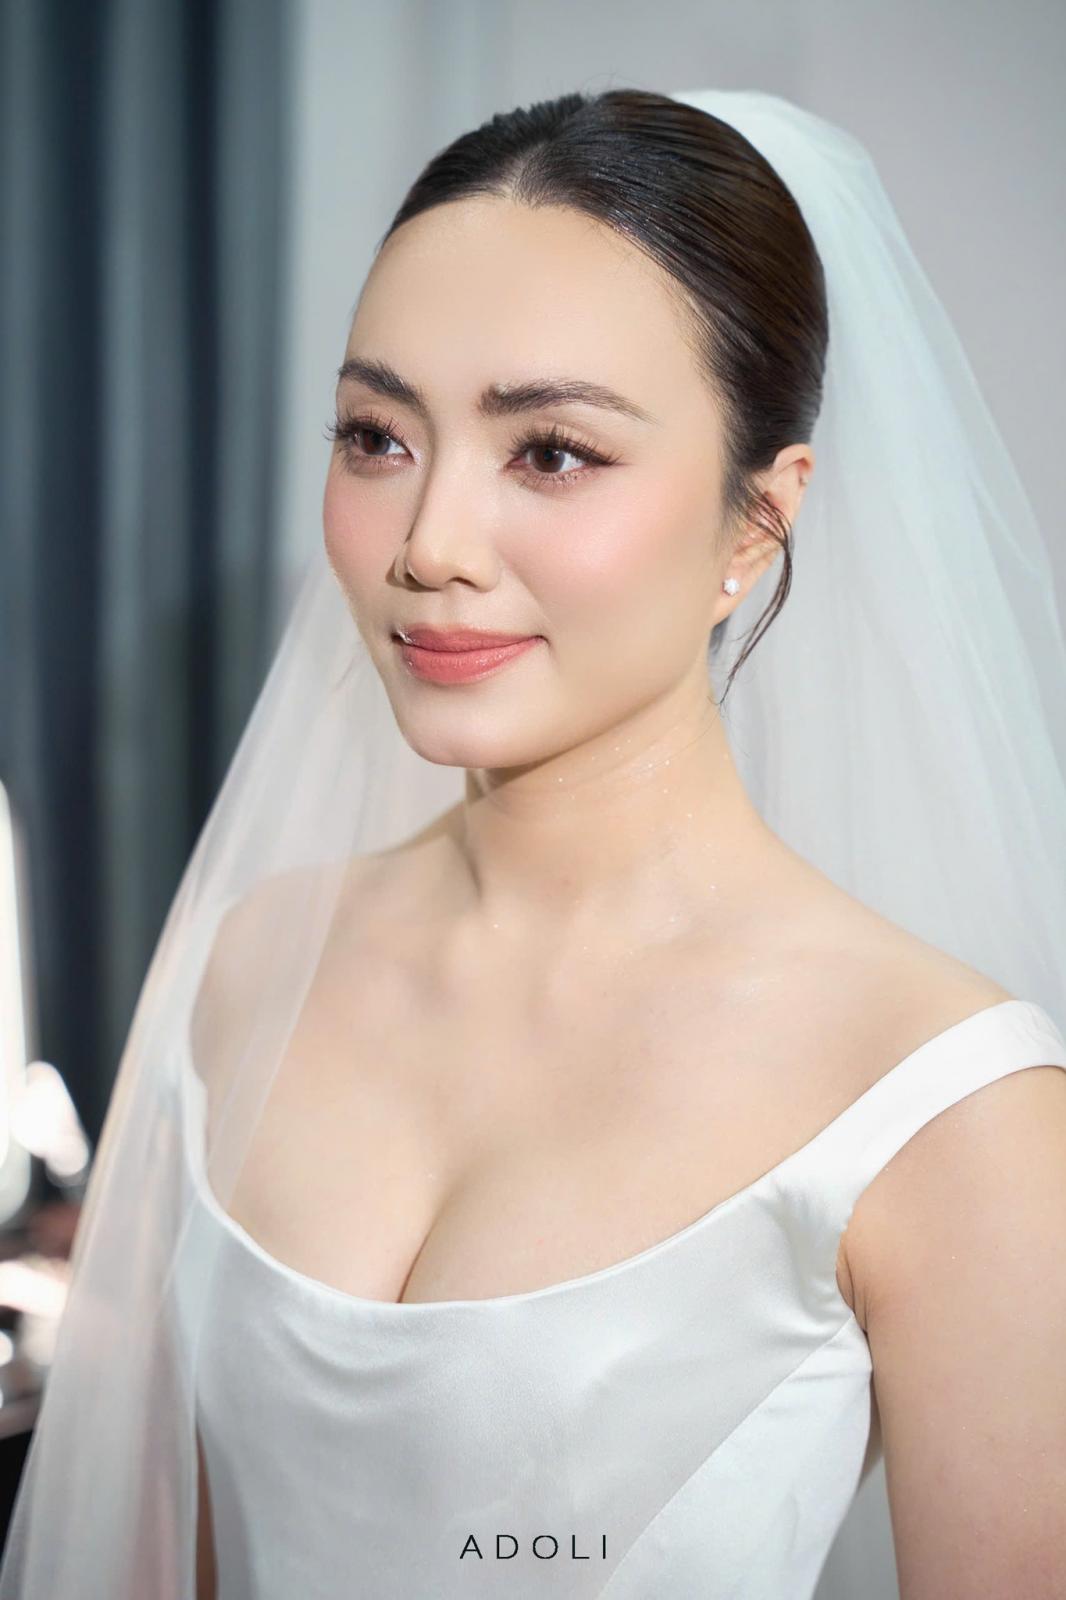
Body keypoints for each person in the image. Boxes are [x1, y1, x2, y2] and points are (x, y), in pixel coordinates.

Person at [2, 87, 1065, 1600]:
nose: (429, 544)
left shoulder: (947, 1105)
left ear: (757, 520)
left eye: (552, 452)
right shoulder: (251, 967)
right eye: (376, 435)